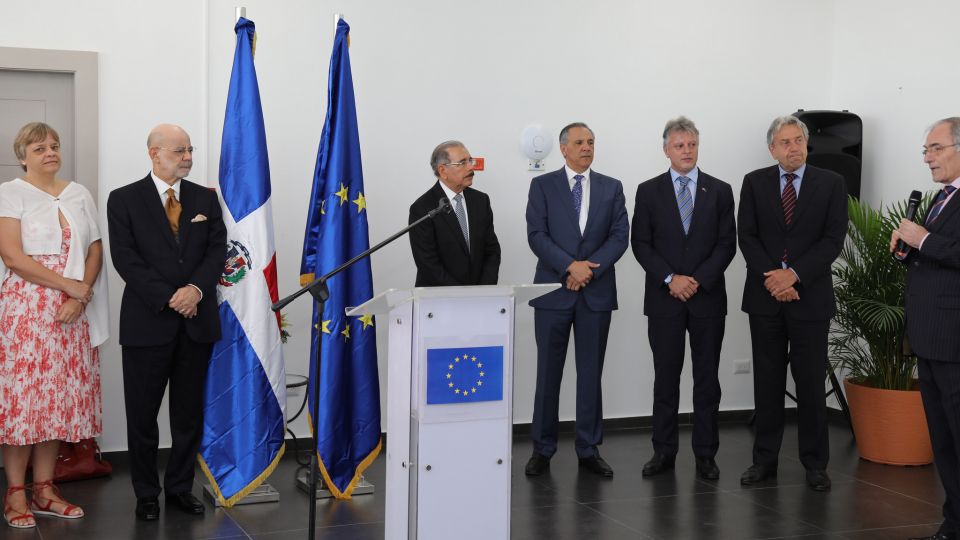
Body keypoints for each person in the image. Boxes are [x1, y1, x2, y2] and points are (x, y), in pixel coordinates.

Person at [107, 124, 225, 521]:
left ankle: (178, 487)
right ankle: (146, 493)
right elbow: (126, 260)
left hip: (196, 322)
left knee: (188, 414)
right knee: (142, 415)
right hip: (147, 322)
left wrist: (195, 289)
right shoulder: (123, 199)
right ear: (154, 154)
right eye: (179, 151)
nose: (188, 157)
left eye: (189, 149)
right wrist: (171, 297)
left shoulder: (205, 199)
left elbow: (216, 251)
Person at [0, 122, 108, 528]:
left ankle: (45, 489)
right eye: (40, 147)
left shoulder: (79, 193)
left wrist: (79, 297)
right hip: (26, 311)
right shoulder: (10, 193)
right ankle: (15, 495)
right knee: (24, 404)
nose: (50, 152)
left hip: (72, 311)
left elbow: (95, 248)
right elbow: (11, 256)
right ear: (22, 155)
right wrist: (70, 288)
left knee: (57, 403)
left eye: (55, 145)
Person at [737, 115, 847, 492]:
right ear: (772, 148)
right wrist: (775, 277)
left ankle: (816, 464)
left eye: (798, 140)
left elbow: (833, 239)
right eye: (785, 142)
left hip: (810, 297)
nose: (793, 147)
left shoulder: (831, 183)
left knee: (811, 384)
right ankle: (764, 461)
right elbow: (747, 237)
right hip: (766, 297)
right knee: (767, 383)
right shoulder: (754, 183)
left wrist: (794, 274)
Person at [631, 117, 736, 480]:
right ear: (666, 150)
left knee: (707, 380)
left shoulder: (720, 191)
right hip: (664, 299)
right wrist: (670, 278)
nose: (687, 151)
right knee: (666, 379)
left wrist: (698, 280)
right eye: (679, 145)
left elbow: (727, 244)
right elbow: (640, 244)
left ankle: (706, 455)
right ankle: (664, 452)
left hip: (706, 299)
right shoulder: (648, 191)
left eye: (691, 144)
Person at [524, 122, 629, 477]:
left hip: (595, 294)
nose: (587, 147)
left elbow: (619, 237)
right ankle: (542, 448)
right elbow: (536, 235)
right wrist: (570, 266)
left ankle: (588, 448)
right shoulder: (542, 185)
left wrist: (589, 271)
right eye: (580, 142)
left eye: (592, 142)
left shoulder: (611, 188)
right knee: (547, 375)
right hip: (553, 294)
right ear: (563, 148)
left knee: (590, 375)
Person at [892, 117, 960, 540]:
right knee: (944, 441)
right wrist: (907, 252)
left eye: (936, 149)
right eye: (925, 151)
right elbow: (935, 258)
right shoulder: (941, 198)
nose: (928, 158)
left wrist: (923, 241)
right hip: (930, 335)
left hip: (954, 338)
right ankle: (953, 523)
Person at [408, 140, 500, 286]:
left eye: (470, 161)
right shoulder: (422, 208)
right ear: (443, 171)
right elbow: (427, 263)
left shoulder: (481, 201)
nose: (471, 167)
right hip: (439, 299)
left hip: (480, 295)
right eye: (462, 163)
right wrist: (459, 294)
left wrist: (484, 288)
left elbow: (492, 250)